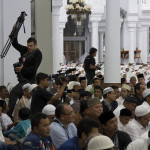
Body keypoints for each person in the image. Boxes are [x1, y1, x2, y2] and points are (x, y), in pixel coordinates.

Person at [8, 33, 42, 117]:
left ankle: (9, 115)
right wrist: (15, 31)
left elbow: (33, 69)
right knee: (20, 99)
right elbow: (15, 43)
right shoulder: (25, 50)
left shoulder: (37, 53)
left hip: (28, 81)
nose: (29, 48)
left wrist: (22, 69)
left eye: (31, 46)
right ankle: (18, 117)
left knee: (13, 93)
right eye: (28, 46)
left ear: (35, 45)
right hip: (22, 79)